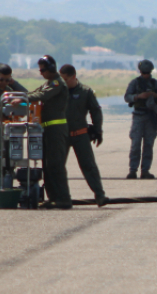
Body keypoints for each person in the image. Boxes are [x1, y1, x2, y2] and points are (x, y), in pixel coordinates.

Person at [60, 64, 110, 206]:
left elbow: (96, 111)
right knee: (57, 167)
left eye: (65, 79)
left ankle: (100, 195)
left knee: (89, 166)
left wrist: (98, 130)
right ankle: (60, 198)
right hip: (62, 135)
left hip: (80, 134)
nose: (62, 82)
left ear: (73, 77)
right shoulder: (58, 91)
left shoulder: (85, 92)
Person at [27, 55, 73, 209]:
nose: (41, 73)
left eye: (43, 70)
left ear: (51, 68)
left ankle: (64, 198)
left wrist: (23, 98)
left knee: (56, 164)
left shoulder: (57, 83)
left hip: (56, 129)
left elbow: (41, 96)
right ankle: (53, 197)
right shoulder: (48, 83)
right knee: (47, 165)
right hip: (46, 129)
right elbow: (35, 92)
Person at [124, 59, 157, 179]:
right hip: (138, 116)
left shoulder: (155, 83)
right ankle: (133, 170)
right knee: (135, 145)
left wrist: (155, 95)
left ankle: (145, 170)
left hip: (151, 117)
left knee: (148, 145)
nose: (146, 75)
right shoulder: (135, 83)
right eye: (144, 73)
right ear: (140, 72)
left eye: (147, 73)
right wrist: (138, 96)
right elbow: (127, 97)